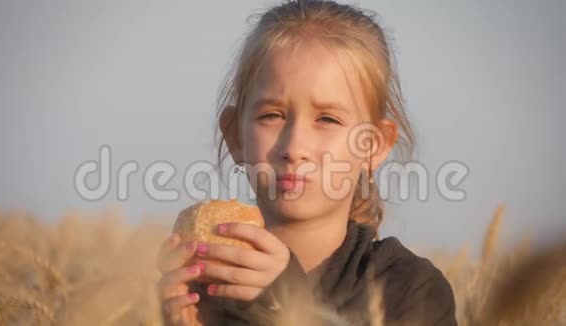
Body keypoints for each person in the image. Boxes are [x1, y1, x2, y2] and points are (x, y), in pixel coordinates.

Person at [157, 0, 457, 325]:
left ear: (372, 146)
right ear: (235, 136)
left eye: (327, 119)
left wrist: (289, 304)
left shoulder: (409, 287)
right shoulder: (210, 287)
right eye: (271, 115)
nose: (295, 147)